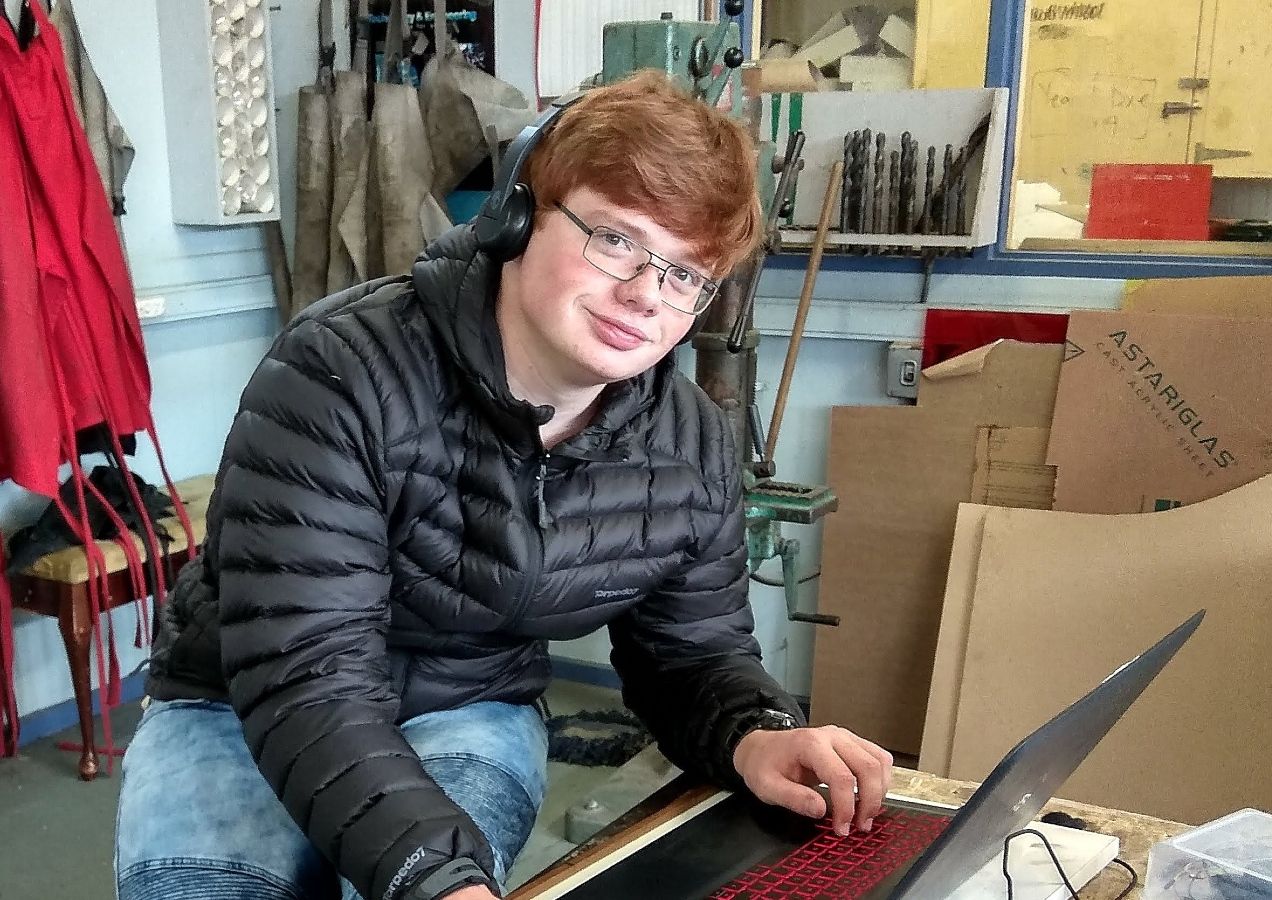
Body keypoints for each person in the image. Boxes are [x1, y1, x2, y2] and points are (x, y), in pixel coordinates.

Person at [115, 70, 894, 900]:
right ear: (518, 214)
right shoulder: (340, 371)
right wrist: (436, 877)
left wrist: (753, 733)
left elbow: (693, 653)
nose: (644, 297)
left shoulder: (690, 442)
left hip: (467, 703)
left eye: (683, 276)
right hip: (239, 702)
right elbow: (308, 672)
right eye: (618, 240)